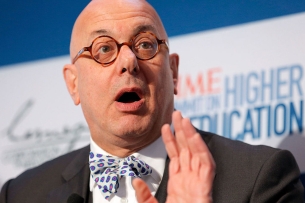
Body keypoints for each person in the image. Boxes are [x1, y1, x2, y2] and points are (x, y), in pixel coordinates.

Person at [0, 0, 304, 202]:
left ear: (172, 70)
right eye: (104, 49)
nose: (129, 61)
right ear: (73, 83)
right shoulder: (22, 194)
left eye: (145, 44)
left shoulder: (260, 177)